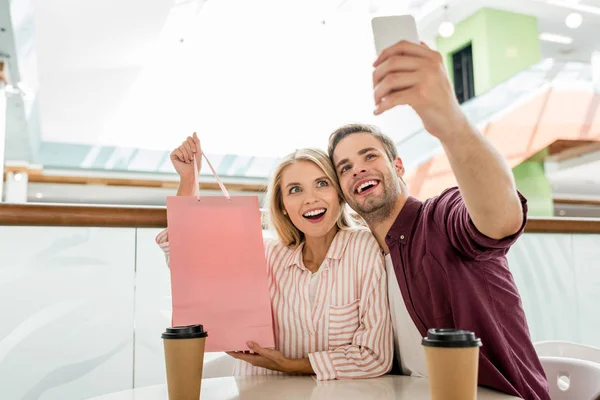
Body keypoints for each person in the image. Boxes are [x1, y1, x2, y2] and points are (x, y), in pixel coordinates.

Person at [327, 41, 550, 399]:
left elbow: (501, 219)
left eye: (370, 156)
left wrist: (449, 120)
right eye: (345, 168)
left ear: (398, 167)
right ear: (343, 191)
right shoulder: (364, 258)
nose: (359, 169)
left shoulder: (439, 217)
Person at [156, 133, 393, 381]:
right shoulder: (265, 255)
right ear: (282, 205)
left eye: (322, 183)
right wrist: (189, 179)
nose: (311, 198)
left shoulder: (362, 247)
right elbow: (187, 257)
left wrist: (291, 365)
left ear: (339, 193)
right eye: (295, 189)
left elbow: (375, 356)